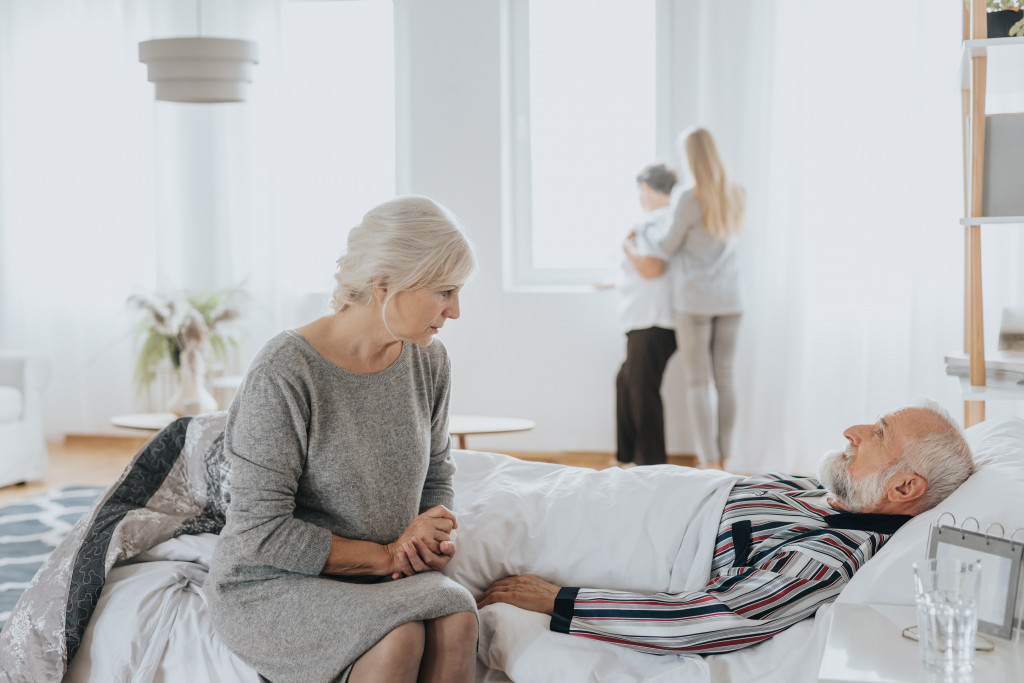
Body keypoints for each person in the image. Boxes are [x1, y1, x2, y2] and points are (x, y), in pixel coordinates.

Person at [207, 196, 479, 683]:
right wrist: (388, 556)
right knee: (400, 638)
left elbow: (437, 475)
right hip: (272, 579)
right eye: (445, 291)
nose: (455, 311)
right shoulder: (286, 371)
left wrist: (431, 536)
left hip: (382, 572)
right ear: (384, 285)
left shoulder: (429, 362)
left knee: (457, 617)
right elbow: (259, 531)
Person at [477, 399, 974, 654]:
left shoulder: (827, 556)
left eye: (878, 433)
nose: (854, 431)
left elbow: (707, 621)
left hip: (622, 534)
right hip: (608, 492)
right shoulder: (819, 494)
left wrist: (555, 599)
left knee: (461, 527)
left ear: (905, 488)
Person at [635, 126, 746, 469]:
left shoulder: (688, 196)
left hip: (695, 302)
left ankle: (708, 462)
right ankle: (724, 459)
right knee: (725, 379)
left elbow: (667, 246)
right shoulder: (737, 193)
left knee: (699, 382)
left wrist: (646, 229)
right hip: (730, 299)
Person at [613, 162, 679, 466]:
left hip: (652, 320)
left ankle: (650, 465)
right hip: (651, 320)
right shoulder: (669, 220)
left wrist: (627, 245)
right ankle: (629, 459)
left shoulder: (653, 223)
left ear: (646, 189)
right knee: (627, 381)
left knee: (642, 391)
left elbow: (652, 268)